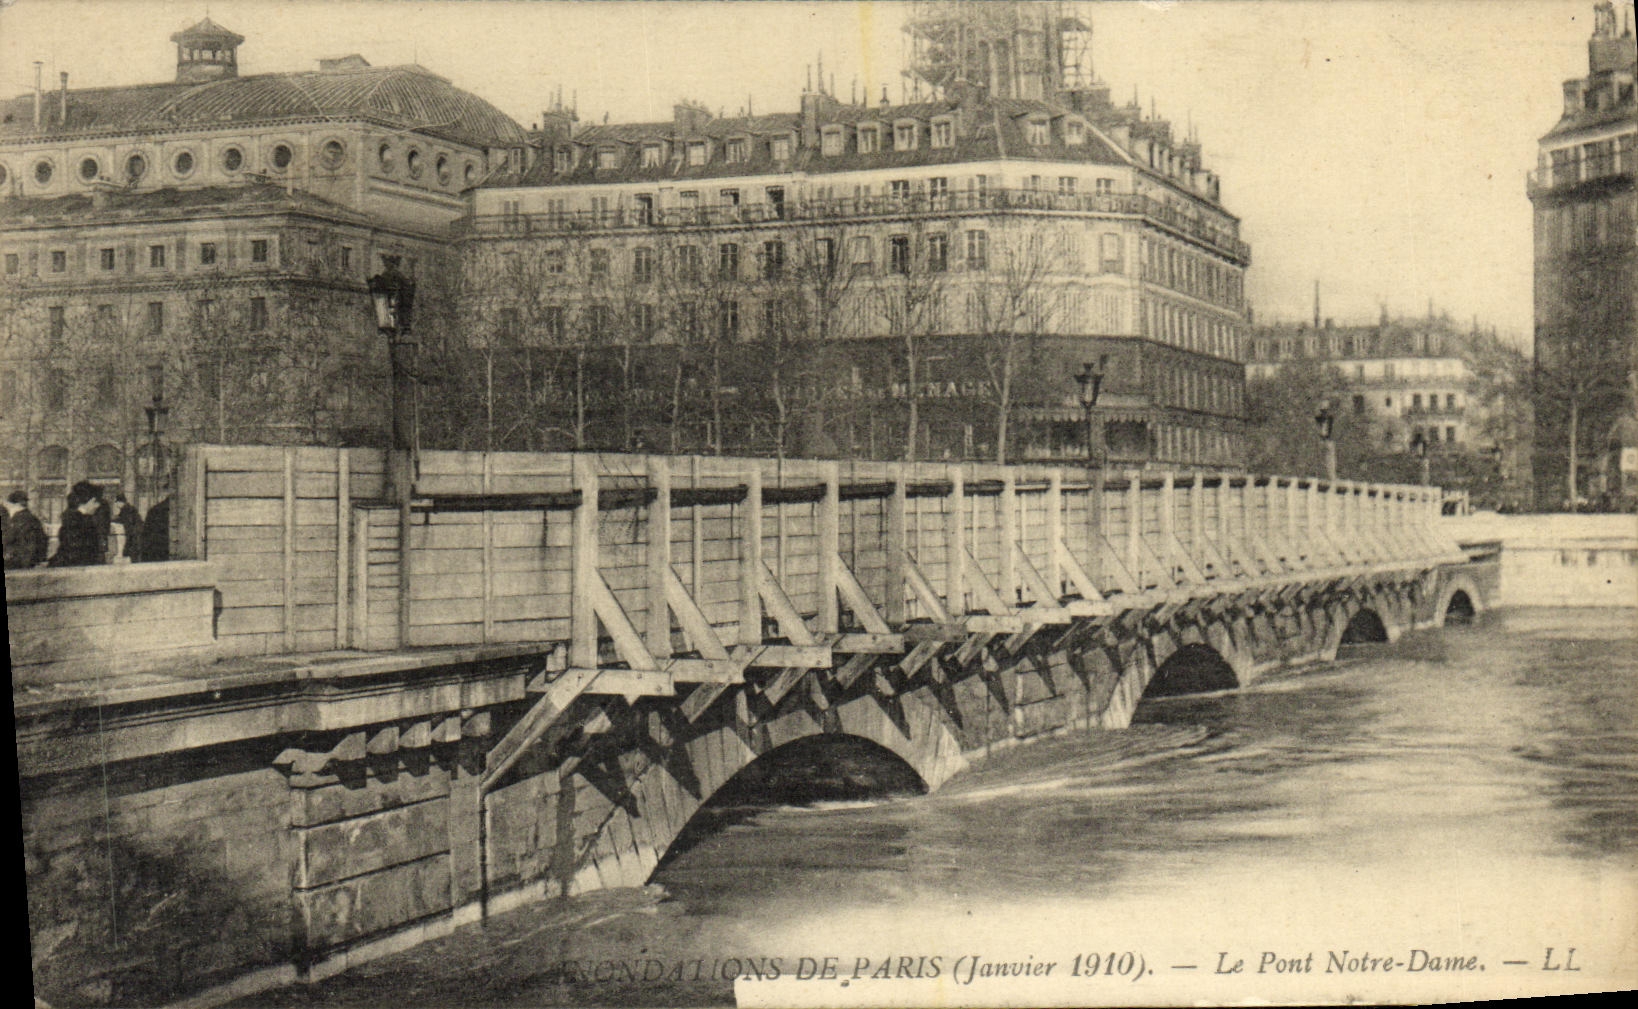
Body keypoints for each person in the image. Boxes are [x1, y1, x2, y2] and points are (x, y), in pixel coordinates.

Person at [49, 481, 106, 567]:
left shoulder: (74, 519)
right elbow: (76, 552)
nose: (97, 506)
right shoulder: (79, 522)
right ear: (91, 501)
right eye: (96, 502)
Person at [3, 490, 49, 570]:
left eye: (9, 505)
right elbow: (43, 540)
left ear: (16, 505)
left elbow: (8, 539)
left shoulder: (17, 519)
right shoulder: (33, 518)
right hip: (31, 562)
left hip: (18, 562)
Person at [135, 495, 170, 562]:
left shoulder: (154, 510)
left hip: (153, 550)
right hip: (162, 550)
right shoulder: (164, 511)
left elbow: (146, 534)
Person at [114, 493, 143, 561]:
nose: (116, 505)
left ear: (120, 502)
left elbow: (127, 522)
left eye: (117, 503)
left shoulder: (126, 509)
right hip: (135, 534)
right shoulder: (128, 508)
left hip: (133, 535)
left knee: (133, 553)